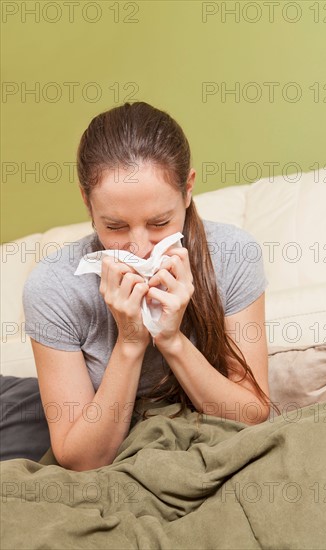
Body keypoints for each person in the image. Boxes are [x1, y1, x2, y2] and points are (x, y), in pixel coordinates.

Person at [23, 101, 276, 472]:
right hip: (116, 468)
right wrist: (130, 341)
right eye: (115, 226)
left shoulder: (234, 255)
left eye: (159, 222)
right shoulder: (53, 287)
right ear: (87, 203)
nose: (140, 247)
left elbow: (252, 416)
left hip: (217, 450)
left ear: (187, 190)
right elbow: (80, 460)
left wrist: (171, 339)